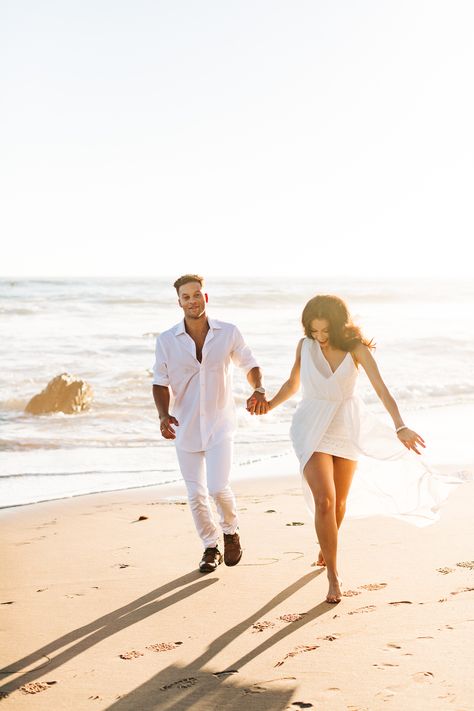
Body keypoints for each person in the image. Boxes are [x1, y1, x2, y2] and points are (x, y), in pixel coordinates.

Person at [266, 294, 426, 604]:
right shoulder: (305, 347)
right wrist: (269, 405)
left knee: (339, 503)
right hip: (310, 424)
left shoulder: (356, 349)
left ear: (338, 326)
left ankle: (326, 547)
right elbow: (293, 383)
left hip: (345, 425)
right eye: (314, 331)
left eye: (325, 331)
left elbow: (381, 389)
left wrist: (400, 425)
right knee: (324, 500)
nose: (320, 338)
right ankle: (333, 575)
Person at [152, 274, 268, 573]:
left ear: (205, 297)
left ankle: (231, 531)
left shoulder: (228, 332)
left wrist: (258, 388)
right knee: (195, 494)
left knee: (217, 487)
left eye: (196, 294)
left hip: (220, 423)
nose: (192, 300)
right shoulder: (166, 340)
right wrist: (164, 415)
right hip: (185, 425)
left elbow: (249, 363)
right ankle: (210, 546)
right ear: (179, 302)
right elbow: (159, 382)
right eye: (185, 296)